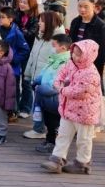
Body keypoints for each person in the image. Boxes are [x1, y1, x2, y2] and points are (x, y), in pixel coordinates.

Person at [41, 39, 103, 174]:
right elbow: (62, 73)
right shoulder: (71, 63)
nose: (75, 56)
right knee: (62, 134)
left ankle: (82, 163)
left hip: (85, 113)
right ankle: (57, 159)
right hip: (68, 109)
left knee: (83, 139)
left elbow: (80, 92)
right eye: (73, 53)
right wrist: (58, 82)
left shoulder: (91, 73)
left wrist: (62, 89)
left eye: (79, 54)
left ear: (88, 55)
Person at [23, 13, 68, 139]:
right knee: (37, 105)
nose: (39, 23)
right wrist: (27, 73)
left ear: (49, 22)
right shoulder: (40, 35)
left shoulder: (57, 40)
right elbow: (33, 54)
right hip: (37, 77)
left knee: (45, 106)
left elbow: (57, 62)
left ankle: (41, 130)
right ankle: (39, 128)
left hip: (48, 80)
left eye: (41, 21)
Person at [32, 34, 72, 153]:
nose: (52, 48)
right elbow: (45, 73)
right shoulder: (55, 58)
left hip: (55, 97)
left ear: (63, 48)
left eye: (54, 45)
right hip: (46, 95)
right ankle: (49, 140)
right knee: (48, 119)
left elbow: (57, 82)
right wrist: (37, 81)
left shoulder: (65, 62)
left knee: (53, 121)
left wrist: (41, 87)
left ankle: (53, 143)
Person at [68, 0, 105, 76]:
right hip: (74, 62)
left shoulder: (100, 26)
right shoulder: (75, 22)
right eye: (80, 6)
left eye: (86, 6)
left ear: (93, 6)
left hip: (91, 65)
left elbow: (102, 51)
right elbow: (71, 41)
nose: (82, 9)